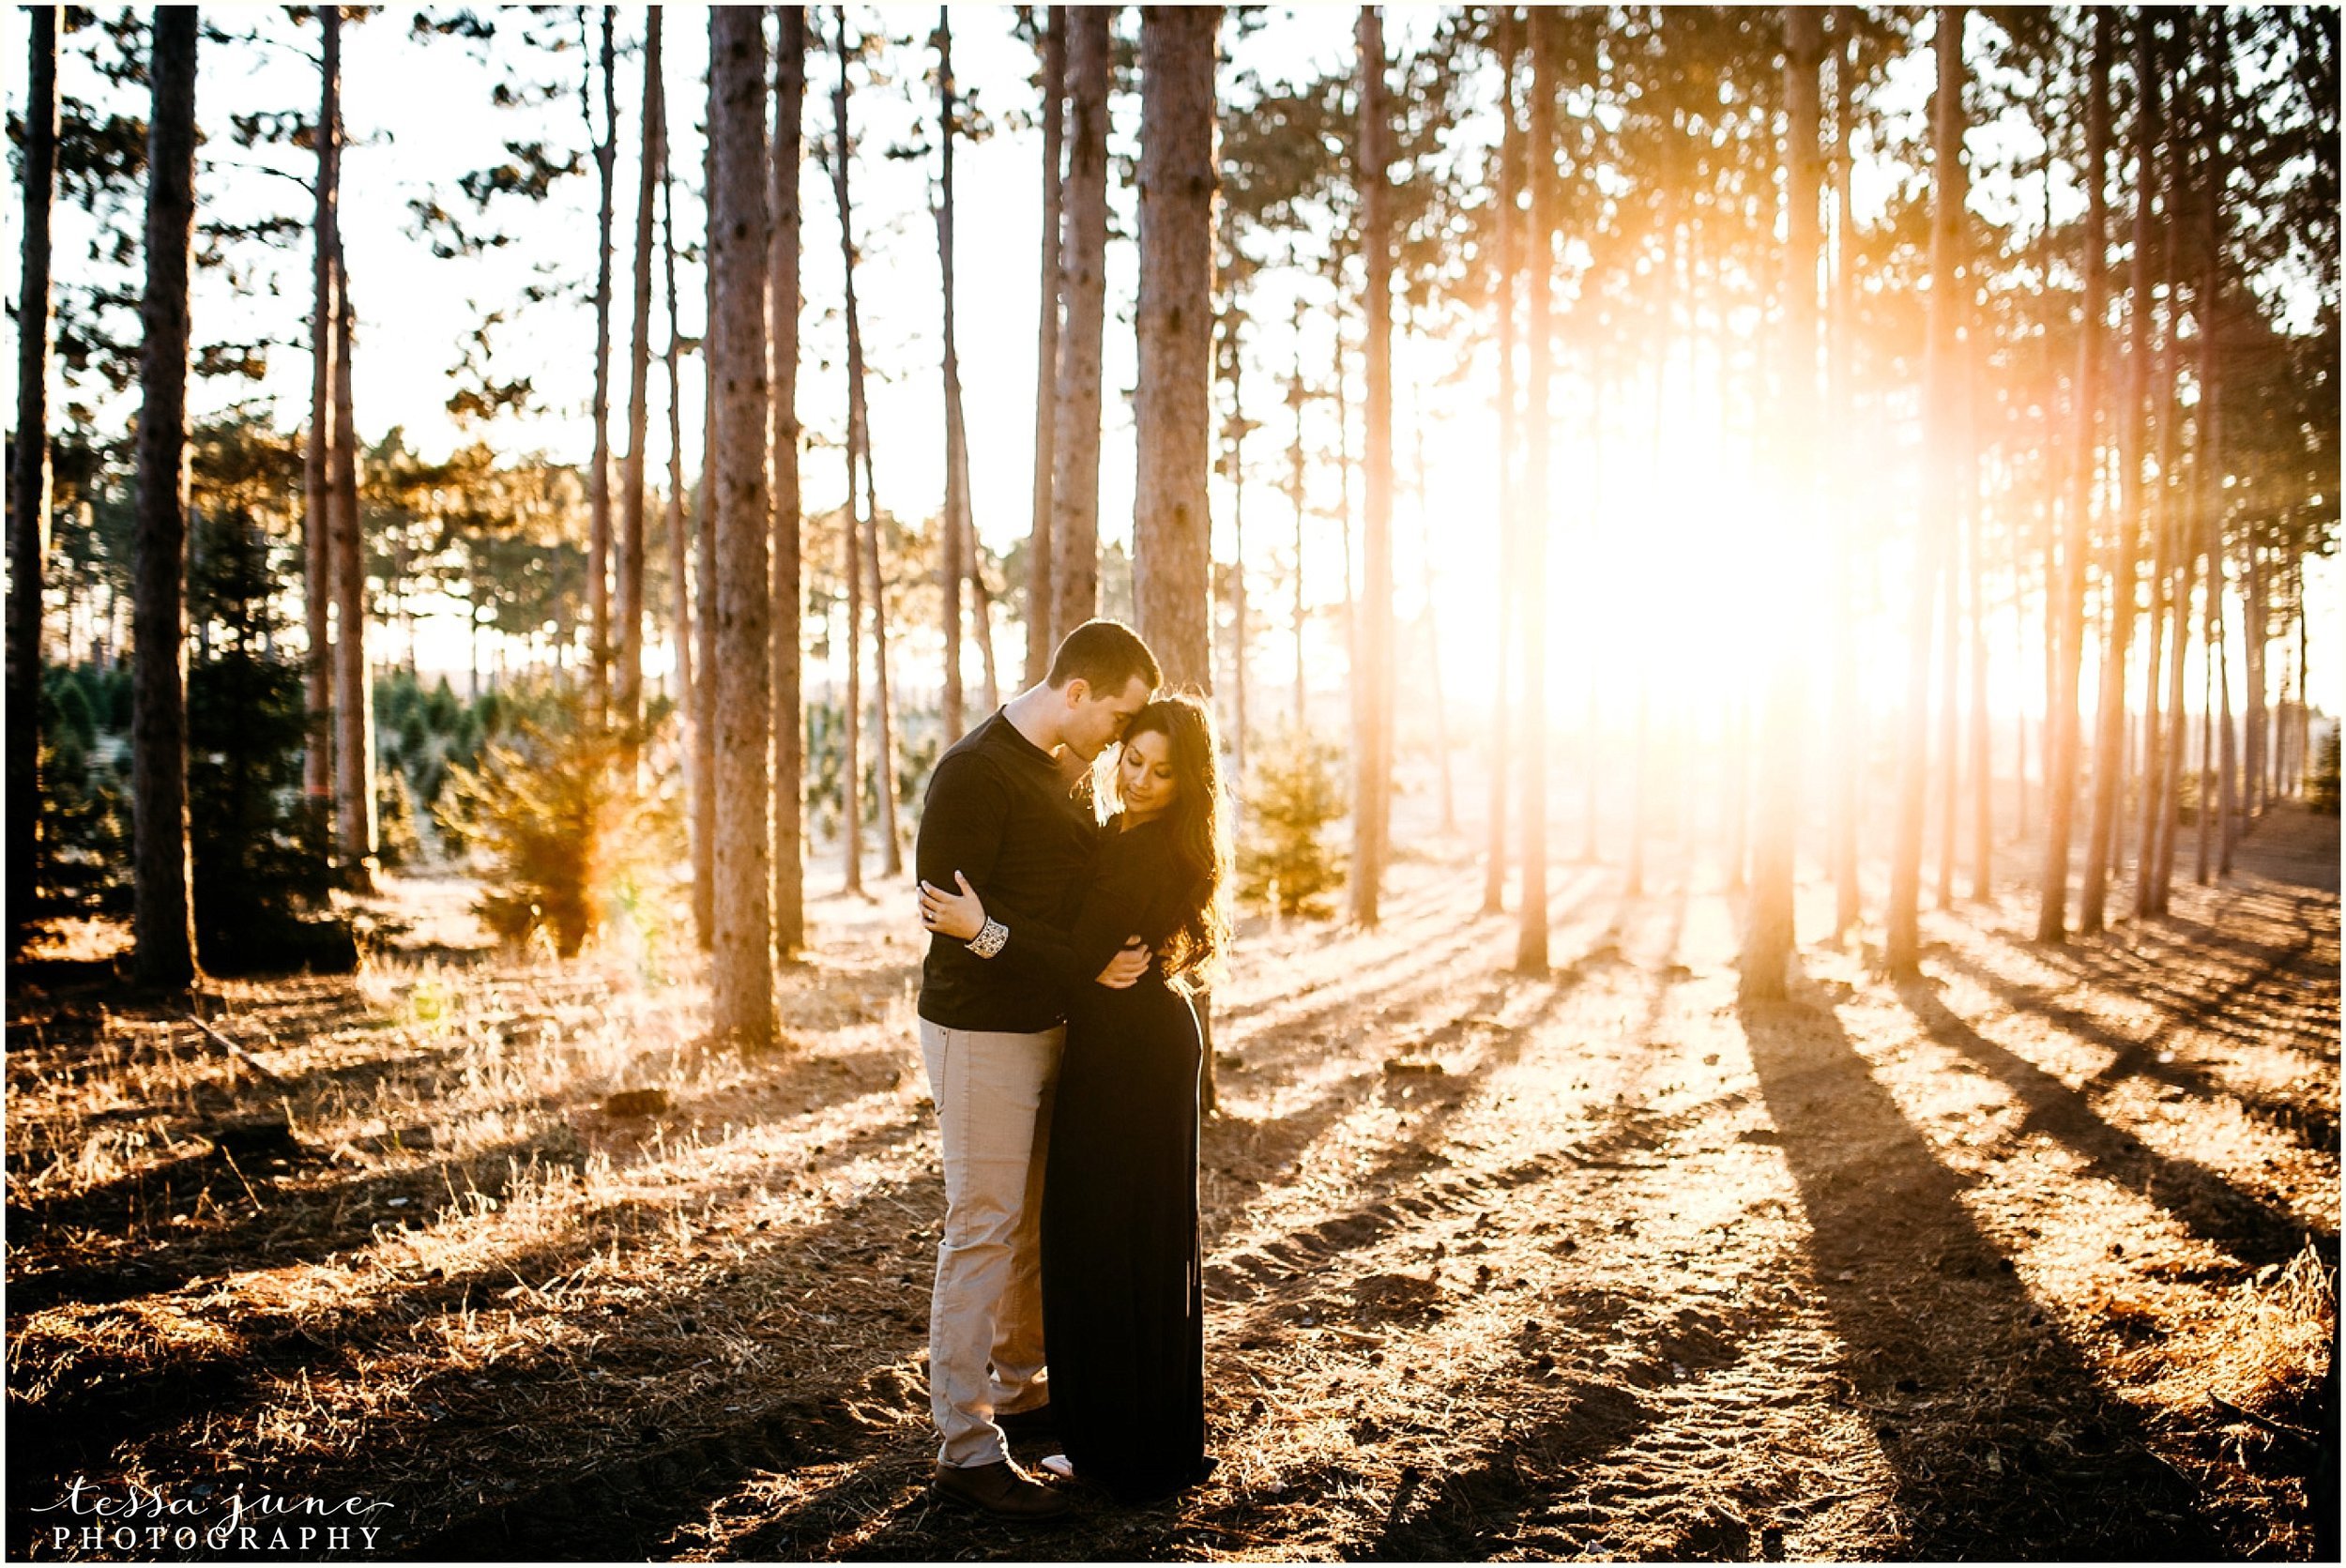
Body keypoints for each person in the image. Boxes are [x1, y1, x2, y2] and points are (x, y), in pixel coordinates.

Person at [921, 693, 1228, 1505]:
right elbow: (1082, 944)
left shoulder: (1141, 849)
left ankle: (1119, 1454)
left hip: (1132, 1056)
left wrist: (980, 927)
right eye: (1134, 760)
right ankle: (1141, 1439)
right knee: (1128, 1242)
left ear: (1188, 782)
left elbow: (1082, 954)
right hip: (1127, 1045)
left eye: (1164, 773)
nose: (1141, 780)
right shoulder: (1118, 828)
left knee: (1113, 1246)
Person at [910, 619, 1162, 1521]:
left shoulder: (1072, 771)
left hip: (1055, 1028)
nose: (1123, 741)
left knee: (1029, 1229)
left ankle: (1022, 1397)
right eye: (1121, 718)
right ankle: (966, 1447)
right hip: (982, 1036)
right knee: (982, 1227)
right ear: (1079, 691)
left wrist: (1037, 947)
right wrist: (1010, 941)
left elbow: (1059, 917)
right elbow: (946, 910)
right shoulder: (975, 772)